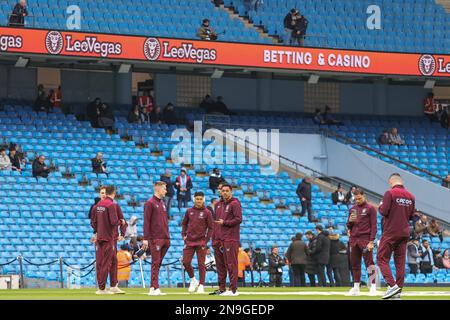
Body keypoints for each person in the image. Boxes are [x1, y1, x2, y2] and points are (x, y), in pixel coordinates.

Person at [377, 173, 415, 299]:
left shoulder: (390, 193)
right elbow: (411, 216)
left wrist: (380, 206)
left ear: (391, 181)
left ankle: (392, 286)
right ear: (401, 181)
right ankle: (398, 291)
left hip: (391, 232)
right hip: (404, 233)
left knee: (381, 258)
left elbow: (384, 211)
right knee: (400, 263)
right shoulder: (411, 196)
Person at [90, 185, 124, 294]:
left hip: (103, 237)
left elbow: (93, 223)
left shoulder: (97, 206)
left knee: (112, 261)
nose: (103, 194)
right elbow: (115, 221)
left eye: (104, 192)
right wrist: (121, 222)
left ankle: (112, 285)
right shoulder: (111, 205)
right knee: (104, 262)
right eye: (101, 193)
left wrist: (97, 231)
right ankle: (102, 288)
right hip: (108, 237)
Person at [346, 189, 378, 296]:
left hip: (365, 239)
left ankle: (373, 286)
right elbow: (349, 226)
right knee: (355, 264)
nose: (358, 201)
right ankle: (356, 287)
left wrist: (371, 241)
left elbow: (374, 226)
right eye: (356, 199)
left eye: (359, 198)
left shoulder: (371, 208)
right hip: (354, 240)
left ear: (364, 196)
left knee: (370, 264)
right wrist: (350, 221)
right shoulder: (353, 209)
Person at [213, 184, 243, 296]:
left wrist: (225, 223)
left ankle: (233, 290)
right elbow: (216, 223)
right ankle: (222, 289)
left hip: (231, 238)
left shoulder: (235, 204)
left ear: (231, 191)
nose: (224, 192)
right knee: (221, 265)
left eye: (227, 190)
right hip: (219, 239)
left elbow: (239, 219)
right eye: (222, 190)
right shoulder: (218, 205)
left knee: (231, 264)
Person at [181, 191, 214, 294]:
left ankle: (201, 285)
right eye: (197, 199)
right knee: (185, 262)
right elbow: (184, 224)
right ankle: (193, 280)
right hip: (189, 241)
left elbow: (211, 228)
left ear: (203, 200)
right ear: (194, 199)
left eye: (201, 199)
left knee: (201, 264)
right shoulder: (189, 211)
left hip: (201, 242)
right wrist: (184, 236)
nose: (199, 201)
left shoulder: (207, 212)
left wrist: (206, 240)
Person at [142, 181, 170, 296]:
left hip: (165, 238)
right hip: (156, 238)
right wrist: (145, 238)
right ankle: (154, 287)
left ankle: (153, 287)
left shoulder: (162, 203)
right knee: (155, 262)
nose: (166, 191)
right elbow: (146, 221)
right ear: (158, 189)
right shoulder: (150, 203)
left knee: (158, 263)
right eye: (164, 188)